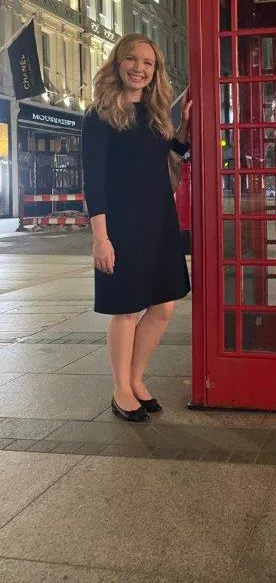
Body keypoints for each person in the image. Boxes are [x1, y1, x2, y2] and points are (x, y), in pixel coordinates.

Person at [82, 33, 192, 422]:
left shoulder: (155, 112)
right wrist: (101, 239)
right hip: (121, 224)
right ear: (117, 63)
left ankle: (136, 376)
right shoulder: (99, 115)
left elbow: (168, 157)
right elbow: (93, 179)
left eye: (148, 63)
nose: (139, 68)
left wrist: (184, 130)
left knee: (163, 305)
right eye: (132, 59)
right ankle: (121, 389)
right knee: (126, 310)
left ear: (156, 70)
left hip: (160, 219)